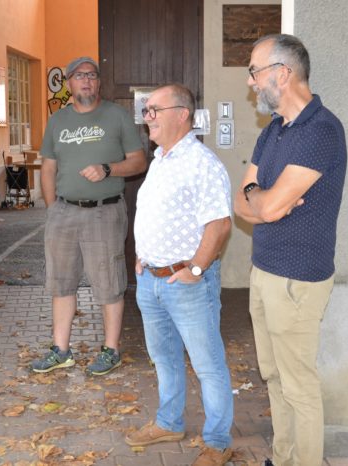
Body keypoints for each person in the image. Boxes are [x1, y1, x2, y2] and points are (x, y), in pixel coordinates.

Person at [234, 34, 347, 466]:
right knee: (274, 377)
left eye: (254, 71)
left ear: (282, 73)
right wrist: (260, 197)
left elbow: (272, 204)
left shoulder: (321, 130)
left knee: (298, 385)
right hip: (264, 271)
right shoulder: (275, 130)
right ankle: (283, 459)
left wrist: (263, 199)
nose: (250, 83)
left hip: (298, 279)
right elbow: (243, 204)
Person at [126, 84, 233, 466]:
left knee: (207, 364)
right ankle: (169, 422)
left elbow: (219, 224)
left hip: (186, 284)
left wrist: (197, 269)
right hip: (151, 281)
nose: (147, 116)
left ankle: (218, 441)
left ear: (182, 114)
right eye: (147, 109)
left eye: (154, 109)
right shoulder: (160, 159)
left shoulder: (202, 163)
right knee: (165, 358)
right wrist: (143, 257)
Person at [31, 56, 146, 376]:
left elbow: (138, 162)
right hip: (64, 213)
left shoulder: (117, 116)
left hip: (104, 213)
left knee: (109, 284)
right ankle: (61, 350)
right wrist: (53, 208)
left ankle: (111, 350)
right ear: (68, 83)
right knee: (61, 283)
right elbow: (49, 167)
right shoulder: (57, 121)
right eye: (79, 76)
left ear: (98, 82)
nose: (86, 81)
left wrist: (109, 168)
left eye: (92, 76)